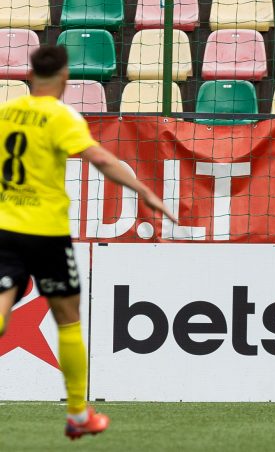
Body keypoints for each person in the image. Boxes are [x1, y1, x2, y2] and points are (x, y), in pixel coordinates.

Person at [0, 46, 177, 439]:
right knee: (67, 317)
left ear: (30, 76)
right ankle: (78, 413)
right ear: (63, 78)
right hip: (45, 231)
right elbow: (101, 159)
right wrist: (144, 192)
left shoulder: (6, 114)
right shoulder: (62, 117)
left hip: (4, 226)